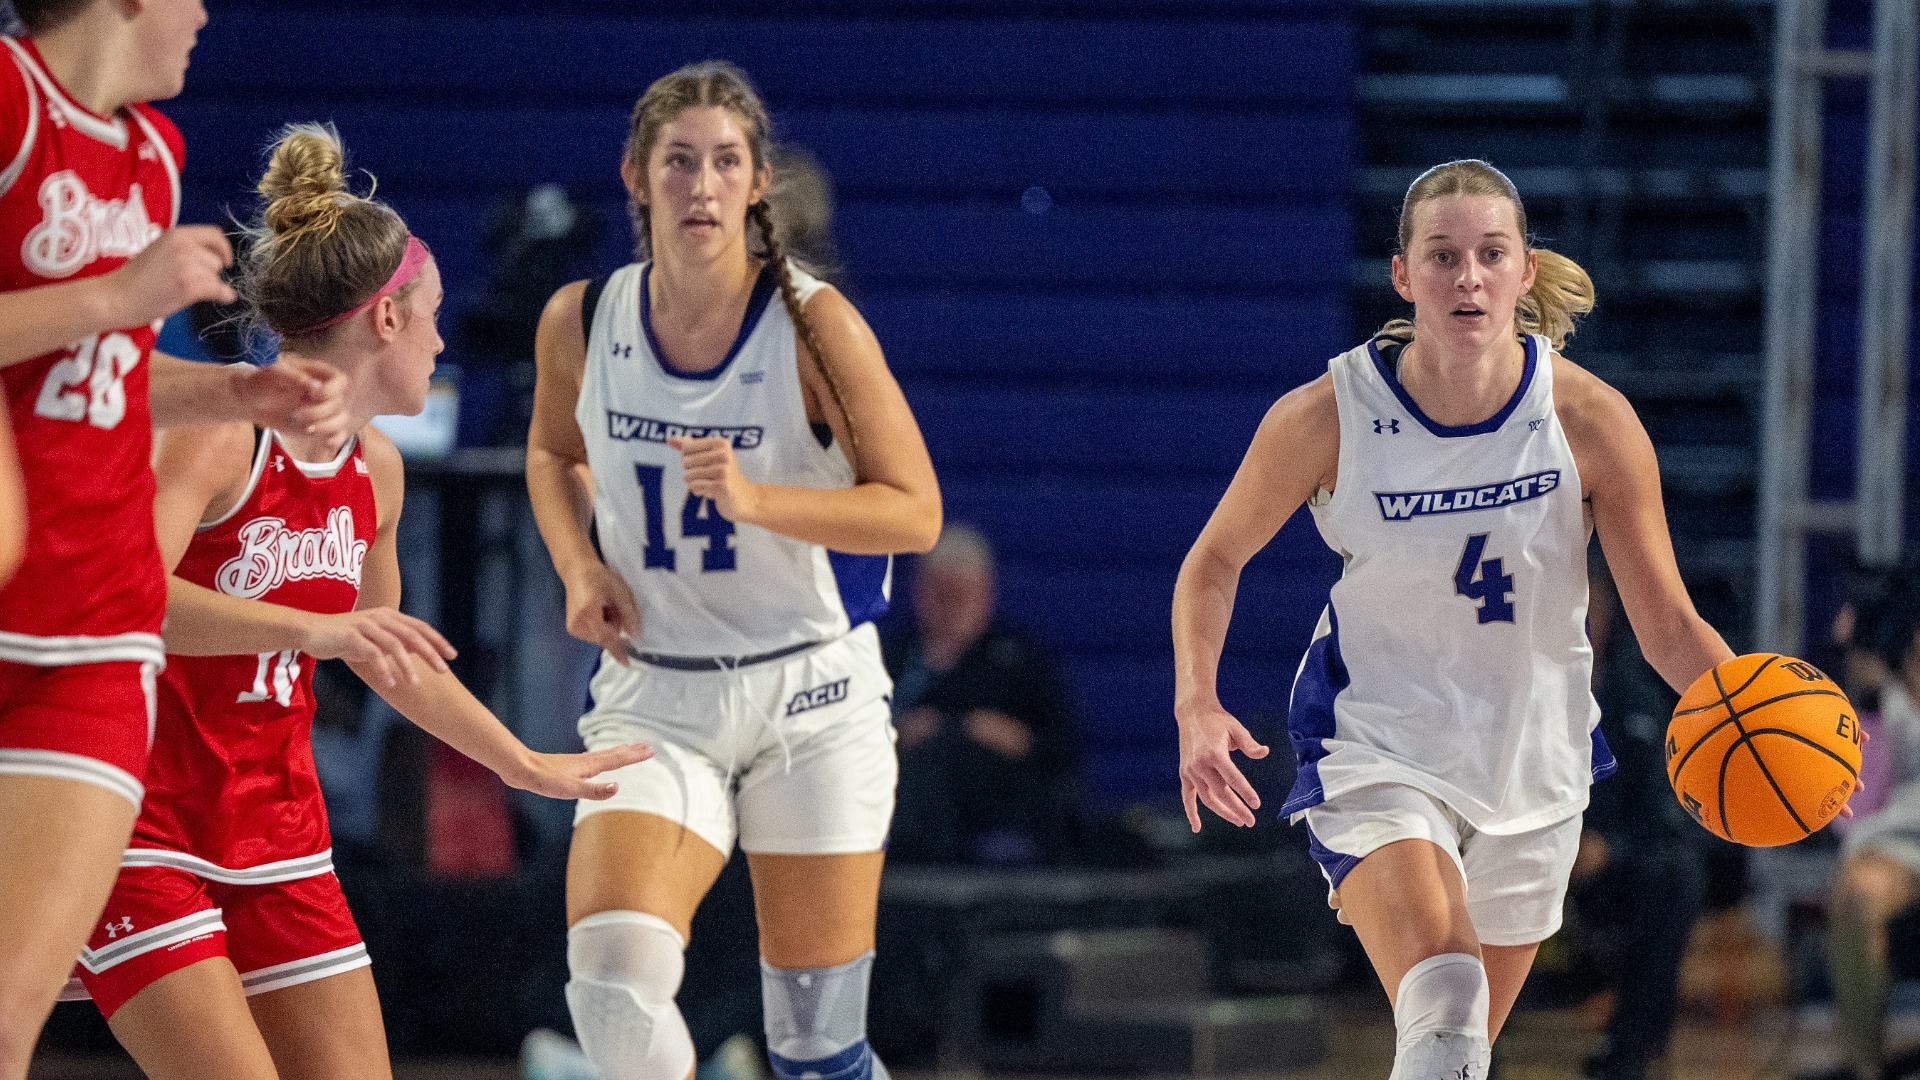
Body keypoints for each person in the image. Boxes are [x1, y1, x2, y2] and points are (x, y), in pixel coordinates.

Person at [56, 123, 655, 1080]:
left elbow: (389, 655)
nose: (442, 341)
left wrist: (521, 763)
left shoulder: (376, 470)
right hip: (146, 829)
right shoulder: (221, 436)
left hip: (280, 834)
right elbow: (127, 603)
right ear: (385, 320)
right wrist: (313, 627)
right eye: (432, 317)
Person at [1172, 159, 1740, 1079]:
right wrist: (1196, 700)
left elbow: (1668, 626)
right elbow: (1213, 561)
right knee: (1445, 998)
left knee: (1456, 1055)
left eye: (1490, 254)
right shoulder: (1327, 416)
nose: (1467, 277)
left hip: (1534, 761)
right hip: (1380, 745)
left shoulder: (1591, 420)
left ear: (1524, 270)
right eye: (1442, 256)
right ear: (1403, 275)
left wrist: (1758, 716)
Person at [525, 60, 940, 1080]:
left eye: (724, 162)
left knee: (816, 1048)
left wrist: (758, 501)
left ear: (757, 182)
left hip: (813, 695)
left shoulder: (814, 326)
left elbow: (914, 511)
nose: (700, 185)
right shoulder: (581, 318)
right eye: (678, 161)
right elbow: (552, 452)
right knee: (613, 993)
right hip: (657, 694)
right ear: (636, 176)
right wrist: (578, 564)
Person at [0, 4, 350, 1074]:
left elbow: (100, 370)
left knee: (8, 1020)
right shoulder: (12, 103)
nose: (202, 12)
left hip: (91, 642)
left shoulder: (153, 153)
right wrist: (113, 294)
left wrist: (234, 392)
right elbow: (93, 315)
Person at [884, 523, 1080, 866]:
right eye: (941, 592)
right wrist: (898, 736)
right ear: (919, 591)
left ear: (987, 593)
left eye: (963, 594)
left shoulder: (1020, 659)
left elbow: (1065, 751)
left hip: (1001, 809)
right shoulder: (891, 656)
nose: (951, 606)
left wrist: (1010, 737)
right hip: (905, 814)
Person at [1802, 582, 1920, 1080]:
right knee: (1857, 893)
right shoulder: (1883, 706)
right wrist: (1852, 658)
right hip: (1900, 847)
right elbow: (1849, 812)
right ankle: (1865, 1066)